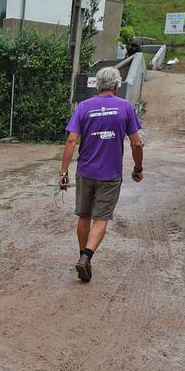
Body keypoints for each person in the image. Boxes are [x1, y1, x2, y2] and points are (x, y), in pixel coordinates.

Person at [58, 66, 144, 283]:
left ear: (98, 85)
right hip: (110, 174)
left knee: (84, 215)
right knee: (101, 218)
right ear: (116, 86)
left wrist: (63, 170)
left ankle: (81, 256)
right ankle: (87, 257)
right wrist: (138, 168)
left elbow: (71, 140)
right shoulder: (125, 107)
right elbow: (136, 143)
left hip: (85, 171)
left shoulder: (84, 107)